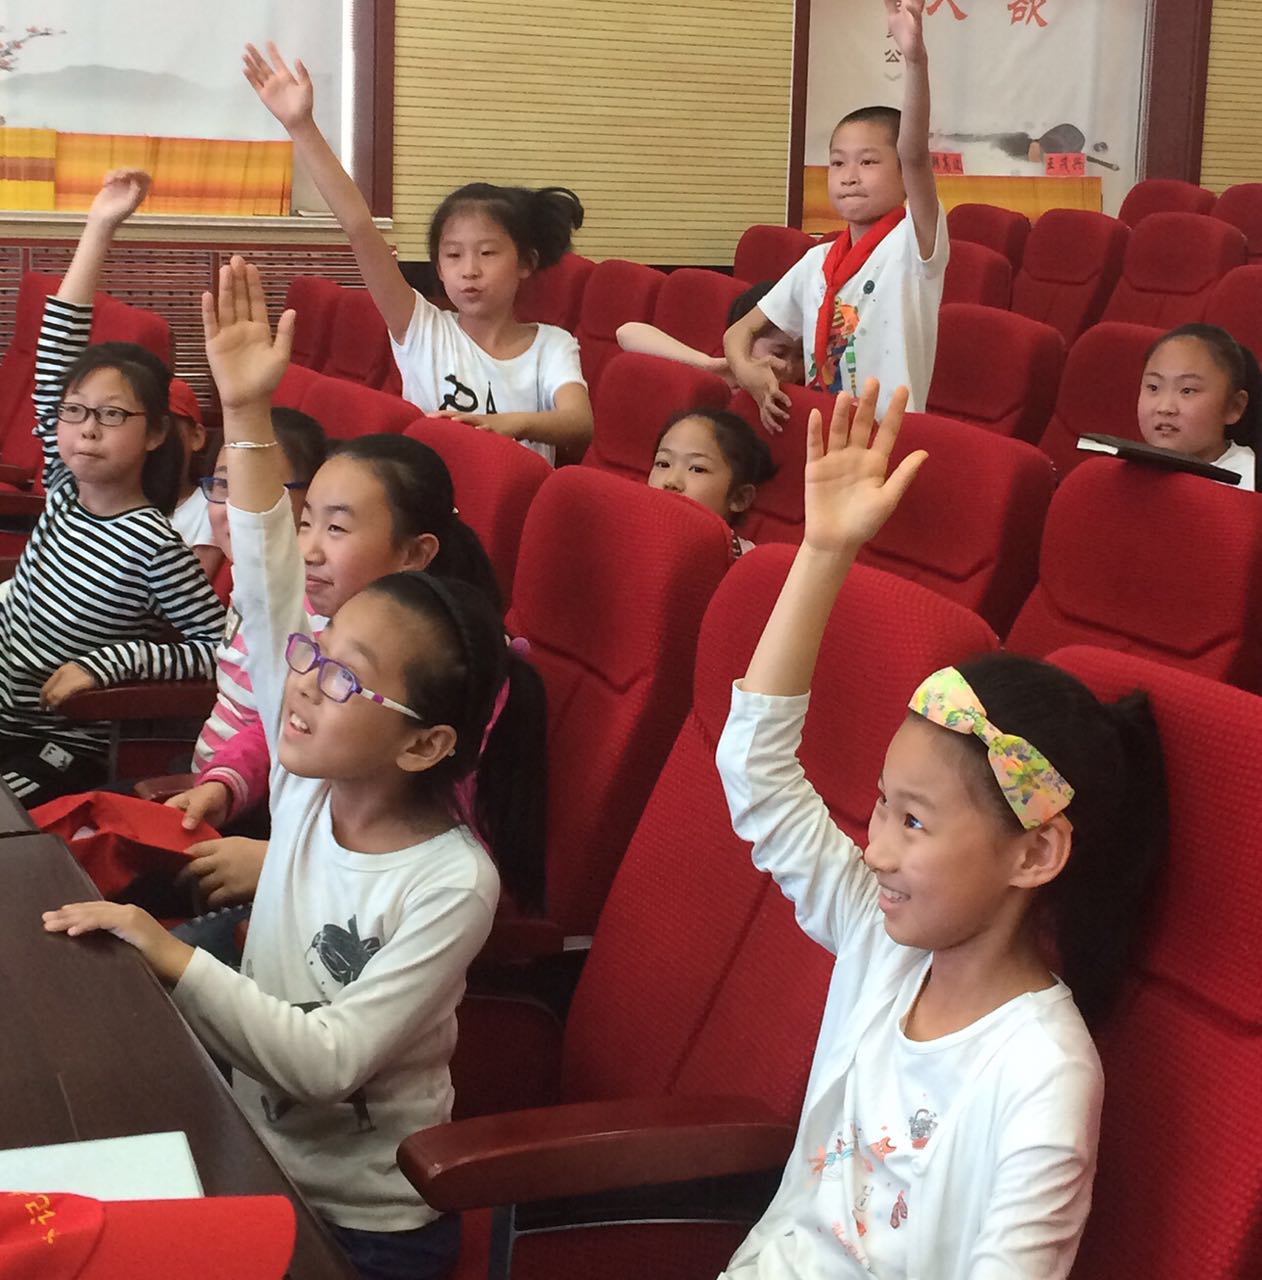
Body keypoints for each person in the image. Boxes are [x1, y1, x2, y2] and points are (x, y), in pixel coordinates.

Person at [45, 255, 547, 1280]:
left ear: (423, 743)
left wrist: (165, 948)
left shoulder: (451, 882)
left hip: (364, 1228)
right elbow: (270, 588)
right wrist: (243, 411)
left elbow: (327, 1063)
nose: (304, 682)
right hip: (251, 1147)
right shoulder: (316, 779)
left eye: (341, 675)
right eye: (310, 659)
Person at [714, 379, 1167, 1279]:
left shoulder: (1041, 1075)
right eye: (883, 804)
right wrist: (824, 552)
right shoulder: (885, 943)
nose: (876, 847)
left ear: (1033, 852)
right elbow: (755, 774)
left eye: (914, 820)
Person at [243, 41, 592, 465]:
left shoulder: (552, 346)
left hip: (513, 499)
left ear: (526, 263)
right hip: (429, 496)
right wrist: (302, 127)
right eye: (453, 256)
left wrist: (506, 424)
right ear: (439, 269)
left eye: (487, 253)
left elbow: (578, 423)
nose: (470, 270)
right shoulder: (422, 328)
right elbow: (359, 227)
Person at [0, 169, 224, 805]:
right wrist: (99, 226)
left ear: (155, 433)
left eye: (112, 415)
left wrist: (107, 664)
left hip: (62, 743)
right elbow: (57, 349)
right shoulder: (64, 491)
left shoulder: (153, 545)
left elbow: (216, 651)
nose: (87, 430)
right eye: (74, 412)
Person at [725, 0, 947, 429]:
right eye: (838, 162)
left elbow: (915, 154)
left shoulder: (912, 246)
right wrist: (747, 370)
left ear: (904, 175)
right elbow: (739, 333)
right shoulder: (816, 262)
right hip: (822, 427)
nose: (849, 176)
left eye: (868, 162)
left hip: (887, 437)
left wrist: (915, 60)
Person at [179, 406, 328, 826]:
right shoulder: (247, 577)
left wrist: (222, 785)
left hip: (251, 805)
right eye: (223, 485)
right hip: (205, 782)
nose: (235, 509)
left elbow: (278, 725)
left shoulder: (315, 614)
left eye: (258, 490)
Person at [1137, 322, 1259, 489]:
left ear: (1234, 407)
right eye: (1153, 387)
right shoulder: (1126, 469)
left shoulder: (1250, 482)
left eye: (1187, 390)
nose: (1164, 408)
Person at [617, 282, 806, 388]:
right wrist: (708, 365)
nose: (787, 367)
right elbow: (627, 333)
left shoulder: (808, 384)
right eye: (779, 353)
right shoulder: (724, 371)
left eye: (801, 356)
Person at [647, 407, 777, 557]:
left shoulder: (748, 563)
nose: (671, 481)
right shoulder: (629, 536)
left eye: (697, 469)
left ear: (739, 498)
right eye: (663, 464)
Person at [167, 378, 226, 581]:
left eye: (167, 428)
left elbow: (189, 587)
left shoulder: (208, 508)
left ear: (197, 437)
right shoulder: (120, 498)